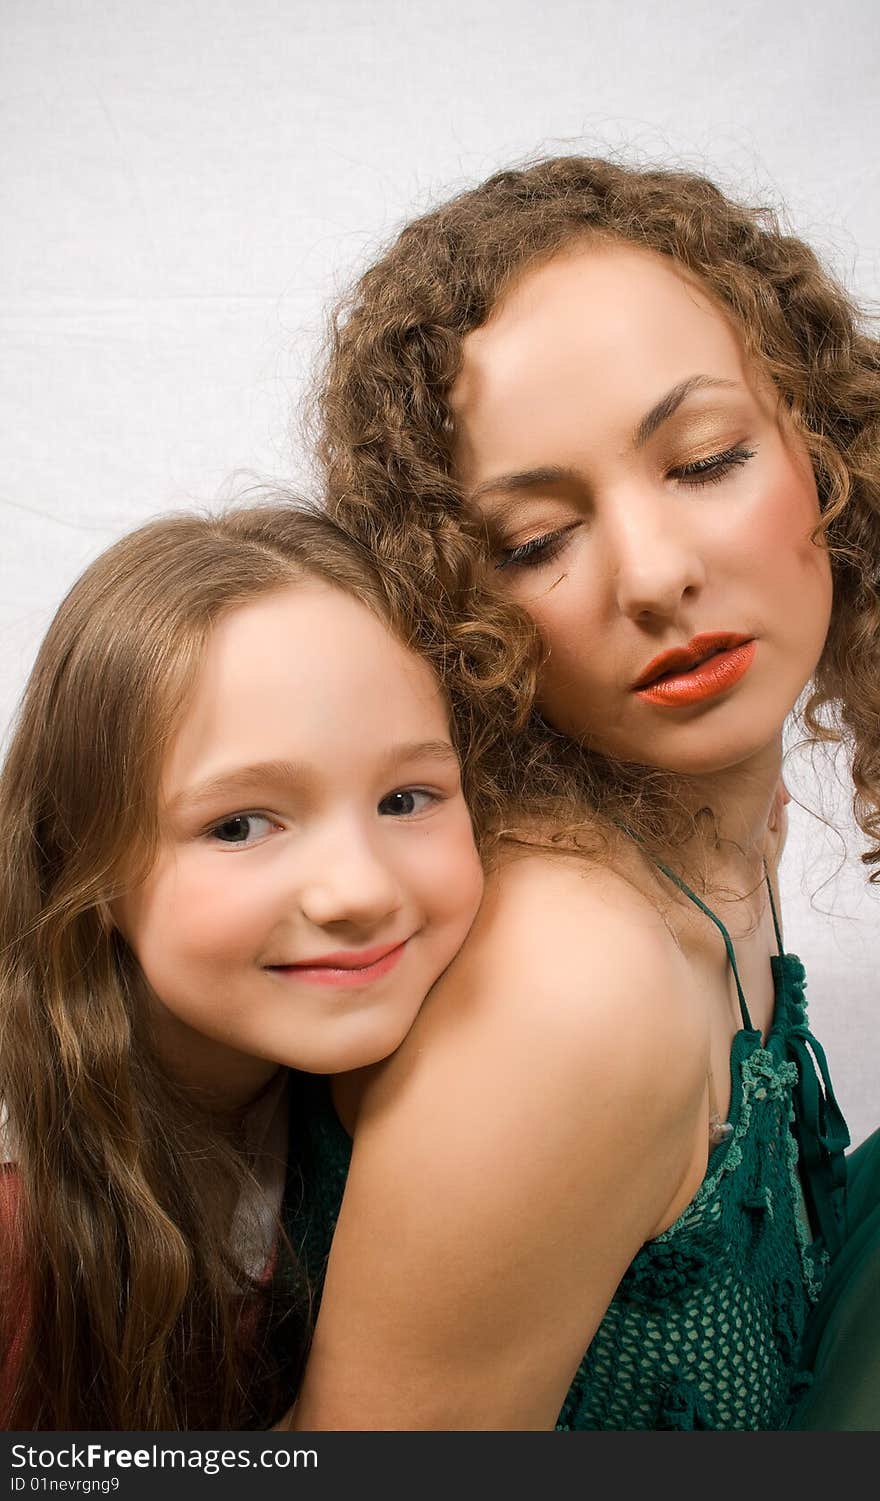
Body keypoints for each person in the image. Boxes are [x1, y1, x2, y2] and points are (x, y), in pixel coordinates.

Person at [282, 156, 880, 1430]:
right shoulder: (568, 983)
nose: (654, 575)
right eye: (537, 542)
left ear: (824, 444)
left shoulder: (715, 838)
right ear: (455, 611)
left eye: (706, 459)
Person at [0, 498, 535, 1430]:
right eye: (240, 824)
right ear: (77, 862)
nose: (357, 890)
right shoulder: (21, 1232)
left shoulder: (400, 1089)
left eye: (407, 798)